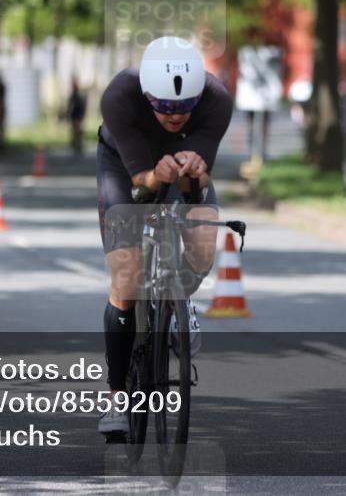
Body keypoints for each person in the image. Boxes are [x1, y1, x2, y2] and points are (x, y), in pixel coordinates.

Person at [95, 36, 233, 437]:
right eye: (165, 107)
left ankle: (180, 301)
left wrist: (194, 171)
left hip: (185, 169)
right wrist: (157, 174)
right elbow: (142, 187)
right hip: (126, 166)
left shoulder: (217, 100)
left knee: (203, 244)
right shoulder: (119, 97)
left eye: (186, 106)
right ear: (146, 95)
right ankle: (117, 397)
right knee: (127, 276)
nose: (176, 116)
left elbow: (195, 190)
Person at [64, 76, 87, 157]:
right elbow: (70, 107)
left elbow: (79, 107)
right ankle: (75, 146)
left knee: (78, 132)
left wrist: (80, 117)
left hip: (78, 117)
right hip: (75, 117)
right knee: (75, 132)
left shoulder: (78, 95)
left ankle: (78, 146)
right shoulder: (74, 95)